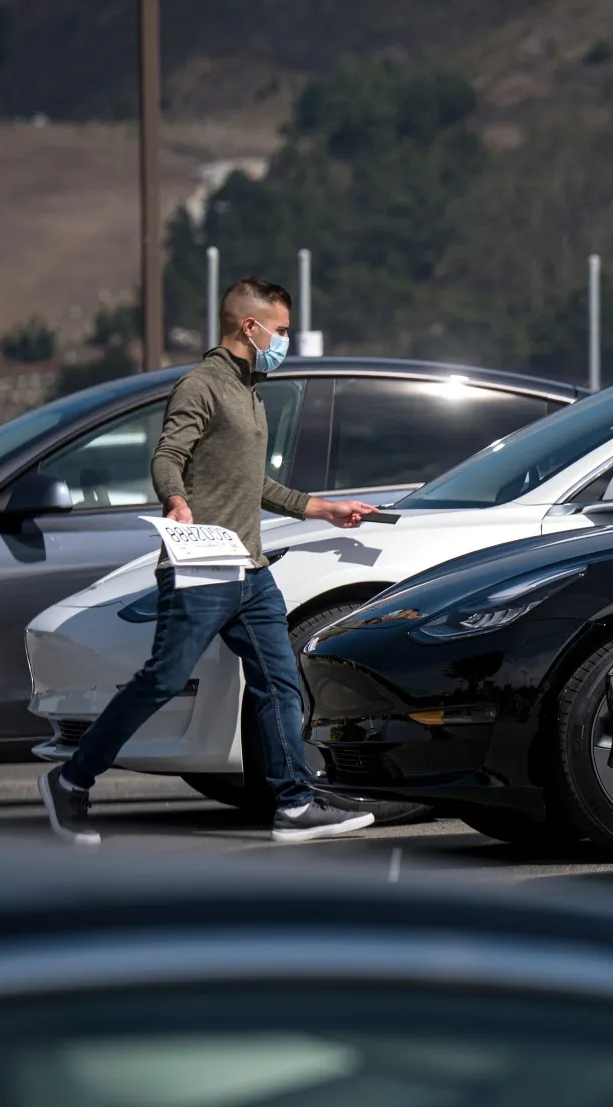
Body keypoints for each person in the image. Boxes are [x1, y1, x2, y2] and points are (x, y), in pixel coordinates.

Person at [40, 278, 378, 845]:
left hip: (252, 571)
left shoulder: (250, 390)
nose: (285, 341)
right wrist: (175, 500)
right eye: (283, 329)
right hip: (201, 569)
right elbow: (168, 455)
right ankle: (72, 778)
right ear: (252, 327)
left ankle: (293, 804)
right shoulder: (202, 384)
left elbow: (252, 483)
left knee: (280, 682)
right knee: (163, 680)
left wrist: (322, 508)